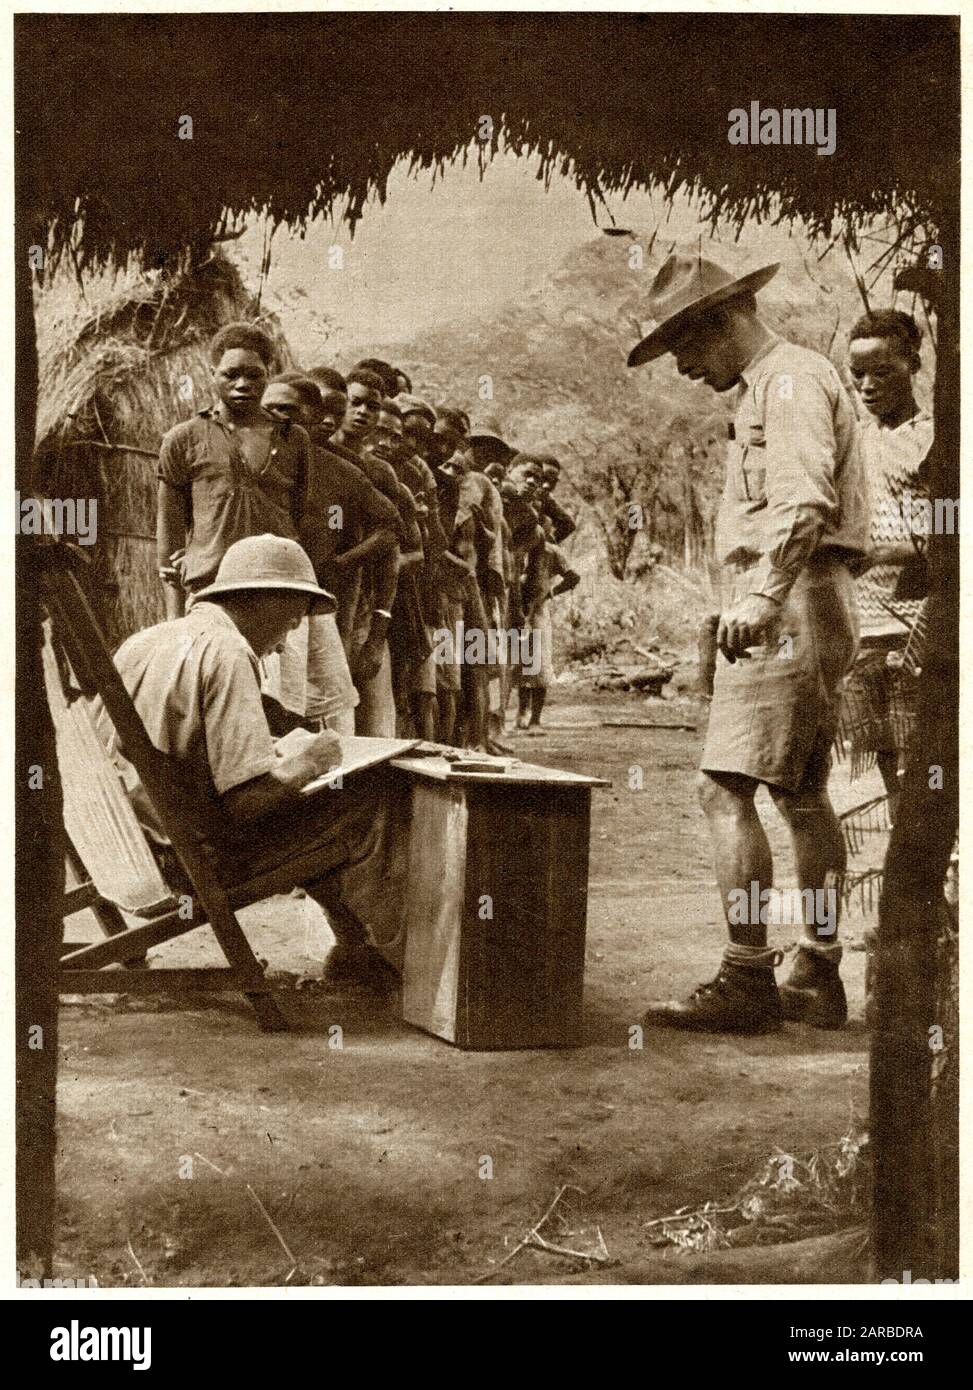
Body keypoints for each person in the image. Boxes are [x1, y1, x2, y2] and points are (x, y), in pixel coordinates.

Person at [627, 249, 869, 1033]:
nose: (683, 368)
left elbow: (802, 500)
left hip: (791, 600)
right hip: (806, 599)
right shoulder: (778, 381)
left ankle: (744, 977)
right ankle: (816, 968)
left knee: (720, 788)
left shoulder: (788, 380)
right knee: (800, 795)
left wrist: (763, 593)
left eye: (685, 347)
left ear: (722, 320)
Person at [95, 535, 409, 988]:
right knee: (373, 800)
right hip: (190, 861)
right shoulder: (228, 652)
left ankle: (355, 949)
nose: (290, 634)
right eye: (293, 613)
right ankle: (367, 955)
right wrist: (314, 761)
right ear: (262, 598)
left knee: (320, 804)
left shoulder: (145, 641)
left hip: (128, 847)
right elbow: (247, 803)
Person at [157, 323, 310, 620]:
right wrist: (174, 624)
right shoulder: (183, 439)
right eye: (231, 374)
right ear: (213, 372)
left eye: (254, 375)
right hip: (212, 593)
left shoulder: (294, 439)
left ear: (268, 373)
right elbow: (169, 539)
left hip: (279, 590)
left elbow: (300, 516)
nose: (243, 384)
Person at [844, 310, 933, 816]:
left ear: (913, 366)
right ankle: (912, 881)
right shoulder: (852, 437)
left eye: (883, 371)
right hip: (862, 627)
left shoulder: (936, 437)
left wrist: (876, 552)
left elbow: (951, 539)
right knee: (883, 759)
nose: (867, 385)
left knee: (920, 761)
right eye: (857, 374)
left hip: (917, 626)